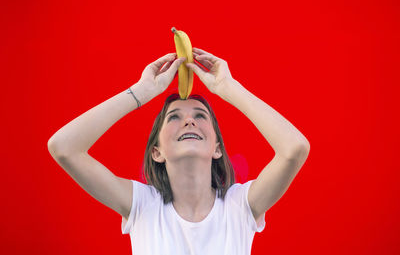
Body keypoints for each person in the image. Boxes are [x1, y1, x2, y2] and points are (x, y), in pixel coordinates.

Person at [47, 47, 310, 255]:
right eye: (173, 117)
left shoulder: (240, 206)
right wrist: (141, 92)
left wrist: (228, 89)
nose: (189, 120)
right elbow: (64, 147)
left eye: (200, 115)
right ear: (157, 152)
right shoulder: (142, 205)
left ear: (217, 148)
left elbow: (294, 148)